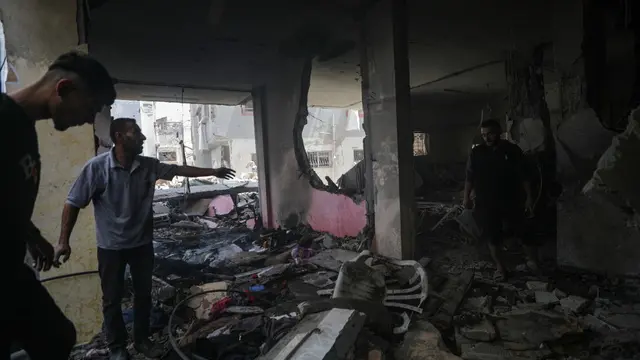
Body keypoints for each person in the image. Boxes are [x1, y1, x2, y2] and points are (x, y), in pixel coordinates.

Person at [54, 118, 235, 360]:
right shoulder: (96, 168)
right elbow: (73, 202)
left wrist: (214, 172)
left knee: (143, 295)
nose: (143, 137)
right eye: (136, 132)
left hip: (141, 245)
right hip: (111, 247)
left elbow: (180, 169)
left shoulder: (148, 166)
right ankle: (117, 348)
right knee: (112, 300)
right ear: (119, 137)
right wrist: (63, 241)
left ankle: (141, 341)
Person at [3, 51, 116, 359]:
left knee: (57, 337)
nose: (91, 119)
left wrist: (32, 236)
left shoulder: (24, 128)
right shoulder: (3, 120)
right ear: (64, 88)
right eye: (91, 107)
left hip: (11, 270)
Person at [463, 119, 536, 281]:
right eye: (483, 135)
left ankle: (533, 262)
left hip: (512, 199)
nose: (486, 138)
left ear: (500, 133)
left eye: (490, 134)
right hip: (486, 201)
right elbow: (469, 176)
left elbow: (524, 176)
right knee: (492, 235)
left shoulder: (512, 150)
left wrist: (529, 198)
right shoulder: (477, 153)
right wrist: (466, 197)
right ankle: (500, 268)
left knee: (524, 231)